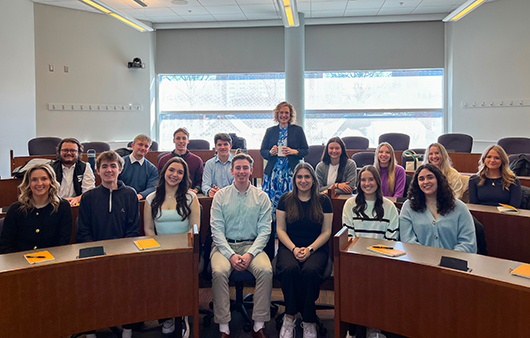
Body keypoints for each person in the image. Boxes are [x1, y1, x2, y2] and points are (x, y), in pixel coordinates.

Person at [76, 151, 140, 338]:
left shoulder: (130, 194)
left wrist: (120, 252)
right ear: (97, 170)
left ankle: (127, 329)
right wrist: (96, 253)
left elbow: (132, 229)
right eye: (104, 166)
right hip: (94, 254)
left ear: (120, 169)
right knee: (90, 290)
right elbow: (83, 230)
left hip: (122, 252)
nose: (109, 170)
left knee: (127, 288)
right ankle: (90, 331)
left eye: (113, 166)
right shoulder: (89, 197)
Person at [210, 153, 272, 338]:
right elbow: (216, 231)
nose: (242, 171)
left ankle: (258, 325)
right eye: (238, 168)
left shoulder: (262, 197)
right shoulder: (220, 196)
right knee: (219, 272)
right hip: (223, 247)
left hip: (252, 247)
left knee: (266, 271)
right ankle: (224, 326)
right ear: (232, 170)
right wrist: (230, 255)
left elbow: (265, 231)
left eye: (245, 168)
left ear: (251, 171)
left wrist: (250, 254)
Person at [144, 156, 200, 336]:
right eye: (171, 170)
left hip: (186, 251)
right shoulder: (151, 198)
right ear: (164, 172)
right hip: (160, 251)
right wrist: (160, 252)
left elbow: (194, 228)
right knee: (160, 277)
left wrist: (184, 251)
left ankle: (182, 316)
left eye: (180, 172)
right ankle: (168, 315)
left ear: (184, 177)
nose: (174, 175)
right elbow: (149, 229)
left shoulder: (191, 197)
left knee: (181, 275)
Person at [276, 163, 332, 338]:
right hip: (289, 246)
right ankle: (289, 316)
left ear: (313, 180)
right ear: (294, 180)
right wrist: (293, 249)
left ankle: (309, 320)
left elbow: (327, 232)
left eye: (307, 177)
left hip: (316, 247)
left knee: (310, 271)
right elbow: (280, 230)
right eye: (299, 177)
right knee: (290, 269)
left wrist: (309, 249)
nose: (303, 180)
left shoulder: (324, 201)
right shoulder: (285, 199)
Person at [400, 163, 476, 253]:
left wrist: (449, 261)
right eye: (421, 179)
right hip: (420, 262)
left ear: (438, 180)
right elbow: (408, 241)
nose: (425, 181)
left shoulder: (460, 207)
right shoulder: (408, 207)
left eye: (430, 177)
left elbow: (467, 242)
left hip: (454, 264)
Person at [0, 164, 72, 254]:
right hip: (19, 262)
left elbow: (62, 243)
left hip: (52, 261)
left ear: (51, 181)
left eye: (44, 179)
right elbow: (6, 245)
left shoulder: (63, 207)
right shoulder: (15, 209)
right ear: (28, 183)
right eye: (34, 179)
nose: (39, 183)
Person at [260, 101, 308, 222]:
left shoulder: (298, 130)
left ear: (290, 115)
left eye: (287, 112)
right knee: (272, 203)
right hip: (273, 173)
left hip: (290, 172)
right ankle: (273, 231)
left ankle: (290, 228)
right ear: (277, 114)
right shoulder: (270, 131)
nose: (284, 115)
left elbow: (305, 150)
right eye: (281, 112)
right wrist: (271, 152)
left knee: (291, 202)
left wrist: (294, 151)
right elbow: (263, 151)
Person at [342, 165, 399, 240]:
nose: (367, 183)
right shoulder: (350, 204)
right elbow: (349, 235)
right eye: (363, 180)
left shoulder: (390, 206)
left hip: (382, 250)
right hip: (356, 250)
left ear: (377, 181)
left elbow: (392, 238)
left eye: (371, 179)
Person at [50, 137, 95, 207]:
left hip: (77, 205)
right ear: (59, 152)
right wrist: (62, 201)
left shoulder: (85, 167)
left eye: (72, 150)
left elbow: (89, 192)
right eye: (65, 150)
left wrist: (77, 199)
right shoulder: (50, 168)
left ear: (78, 152)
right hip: (55, 205)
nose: (69, 153)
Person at [158, 127, 204, 194]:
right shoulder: (164, 160)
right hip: (169, 194)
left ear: (188, 141)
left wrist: (196, 190)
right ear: (174, 140)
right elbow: (160, 180)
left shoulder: (197, 160)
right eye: (178, 138)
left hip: (190, 194)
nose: (181, 141)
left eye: (184, 138)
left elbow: (200, 181)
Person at [118, 134, 159, 201]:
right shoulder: (119, 163)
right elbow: (114, 183)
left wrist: (140, 195)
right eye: (140, 144)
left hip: (141, 201)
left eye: (146, 146)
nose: (143, 148)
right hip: (121, 199)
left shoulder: (152, 169)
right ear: (133, 145)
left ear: (148, 150)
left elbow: (152, 188)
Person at [202, 133, 234, 197]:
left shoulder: (236, 163)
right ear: (216, 147)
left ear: (230, 146)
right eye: (219, 145)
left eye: (225, 144)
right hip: (215, 197)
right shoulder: (209, 164)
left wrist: (222, 192)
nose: (222, 147)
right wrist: (209, 191)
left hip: (233, 197)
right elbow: (205, 184)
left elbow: (238, 185)